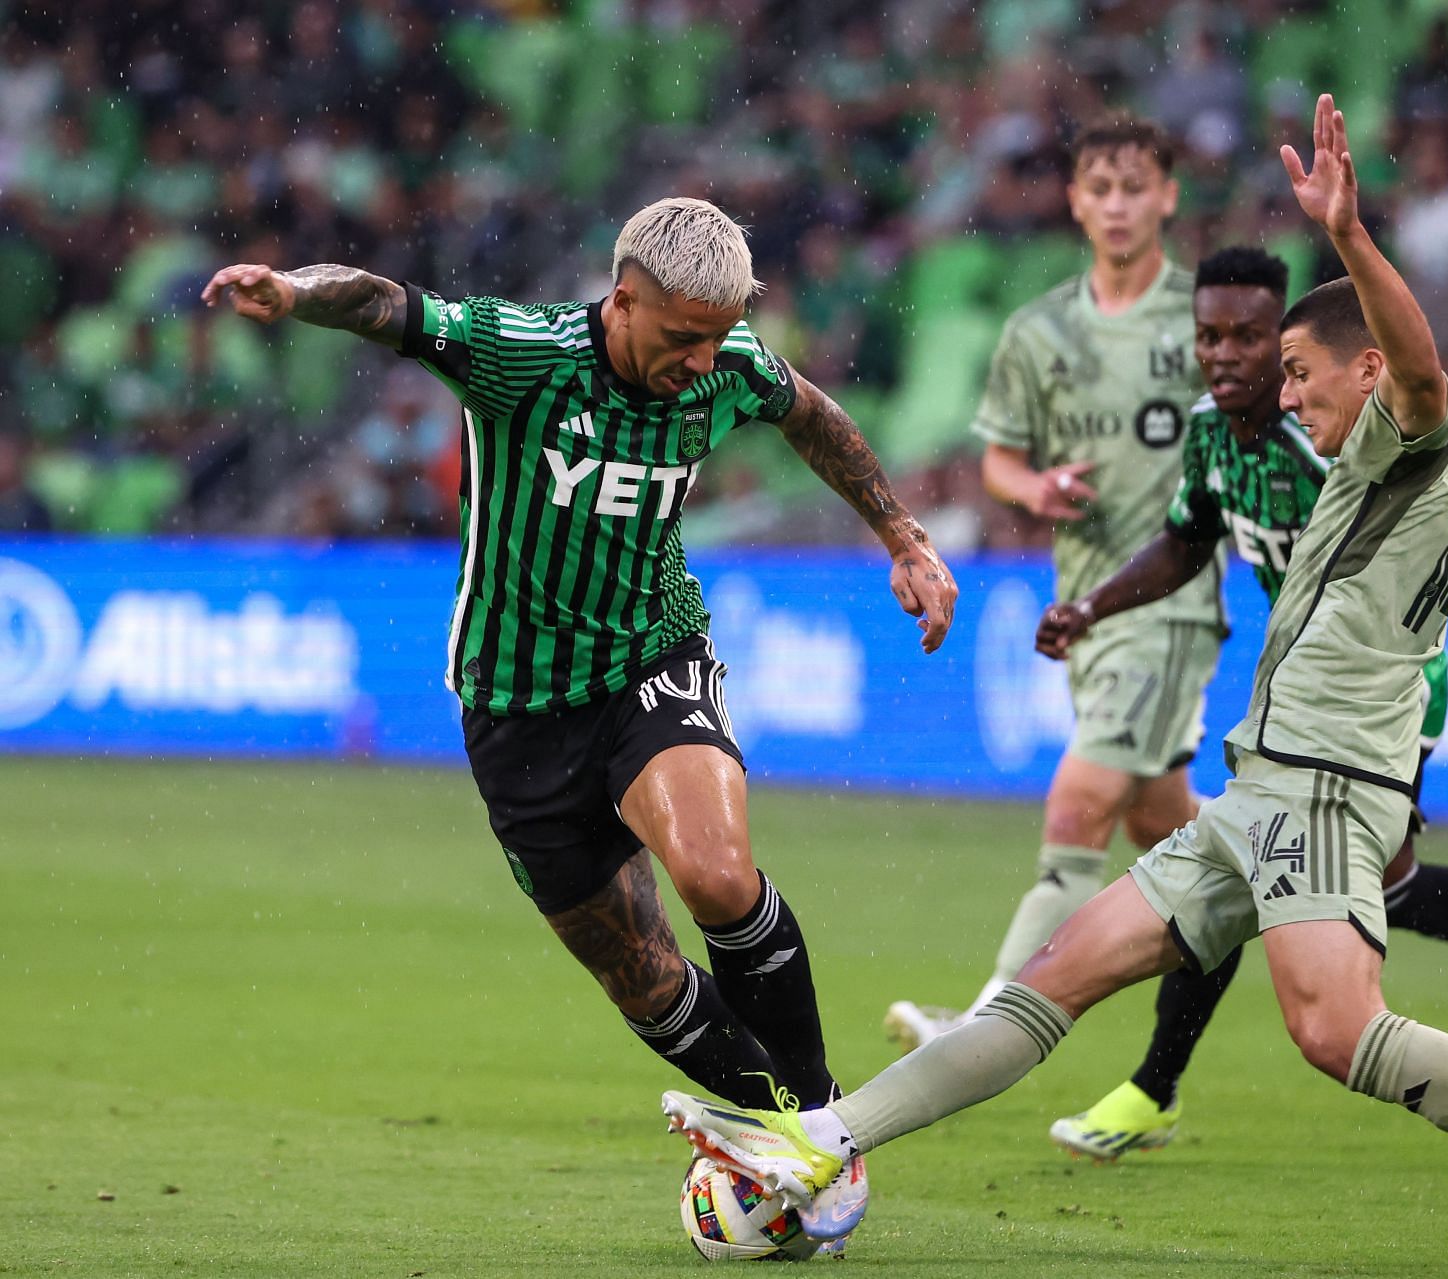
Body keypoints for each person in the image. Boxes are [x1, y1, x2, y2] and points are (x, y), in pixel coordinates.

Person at [662, 97, 1448, 1276]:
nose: (1286, 397)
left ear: (1374, 372)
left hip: (1333, 790)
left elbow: (1425, 365)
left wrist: (1348, 235)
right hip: (1261, 789)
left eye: (1299, 372)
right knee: (1054, 976)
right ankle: (822, 1141)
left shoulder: (1414, 427)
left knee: (1338, 1033)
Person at [201, 197, 959, 1243]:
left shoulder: (729, 360)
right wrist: (292, 293)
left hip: (651, 658)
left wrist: (903, 537)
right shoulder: (521, 355)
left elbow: (813, 415)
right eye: (684, 336)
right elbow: (389, 304)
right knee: (643, 980)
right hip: (514, 711)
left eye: (719, 335)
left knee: (714, 873)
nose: (704, 359)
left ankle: (823, 1121)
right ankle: (784, 1129)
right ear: (625, 297)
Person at [1038, 244, 1448, 1163]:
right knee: (1361, 883)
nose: (1226, 355)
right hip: (1300, 697)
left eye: (1250, 336)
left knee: (1263, 868)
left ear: (1293, 342)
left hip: (1390, 687)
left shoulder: (1333, 433)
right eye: (1209, 335)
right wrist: (1093, 606)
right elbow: (1184, 541)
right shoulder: (1213, 433)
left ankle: (1152, 1088)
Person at [886, 114, 1223, 1050]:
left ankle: (986, 1019)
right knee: (1175, 834)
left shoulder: (1211, 323)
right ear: (1075, 202)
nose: (1116, 206)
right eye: (1099, 189)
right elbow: (999, 461)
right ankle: (1293, 896)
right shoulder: (1040, 332)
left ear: (1167, 197)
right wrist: (1038, 486)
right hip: (1083, 604)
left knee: (1079, 804)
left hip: (1174, 604)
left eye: (1134, 188)